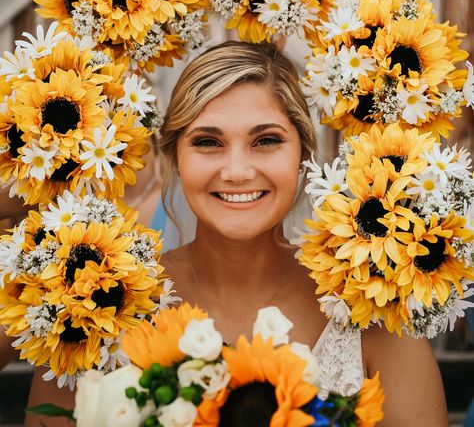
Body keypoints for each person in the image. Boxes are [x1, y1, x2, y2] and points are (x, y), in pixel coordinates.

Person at [17, 41, 448, 425]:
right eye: (207, 142)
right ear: (174, 158)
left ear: (302, 154)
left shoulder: (372, 306)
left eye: (266, 141)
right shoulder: (90, 307)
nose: (238, 171)